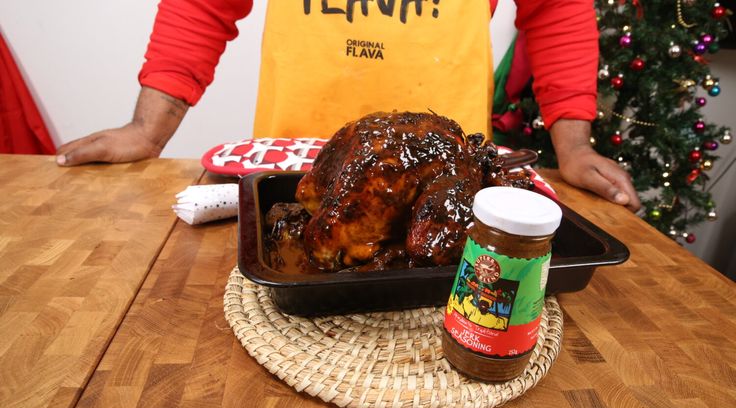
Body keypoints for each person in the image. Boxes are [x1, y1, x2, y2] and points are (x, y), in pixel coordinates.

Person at [56, 0, 641, 212]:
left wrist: (574, 146)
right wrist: (146, 130)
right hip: (297, 179)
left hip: (442, 186)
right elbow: (202, 5)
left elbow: (556, 10)